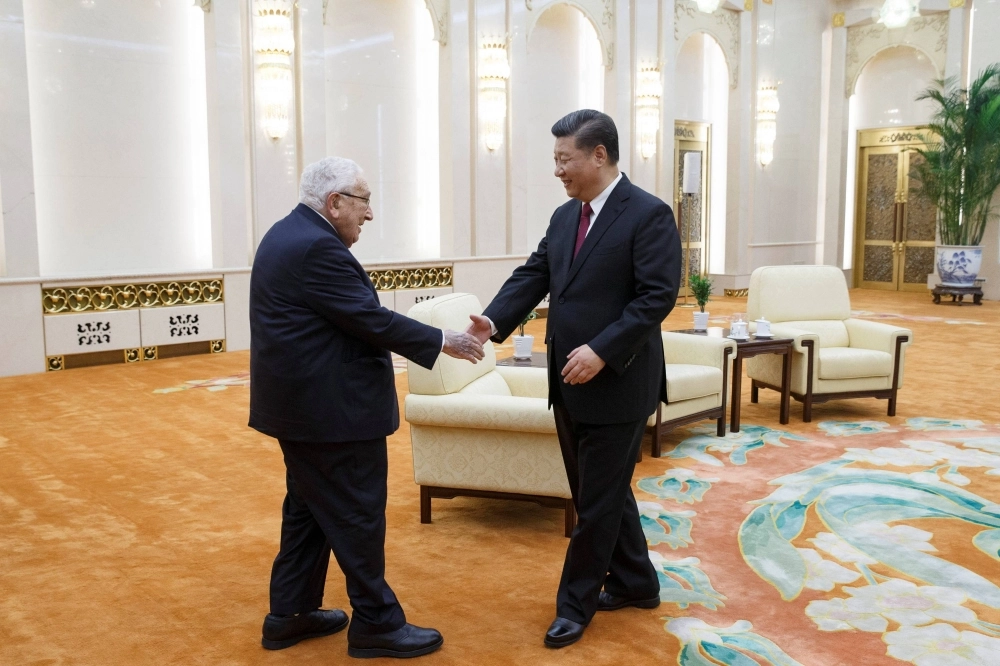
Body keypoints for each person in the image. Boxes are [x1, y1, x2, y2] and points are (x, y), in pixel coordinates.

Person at [249, 156, 484, 659]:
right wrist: (446, 340)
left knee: (309, 512)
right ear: (335, 204)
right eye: (364, 201)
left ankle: (289, 615)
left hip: (305, 411)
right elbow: (369, 320)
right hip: (332, 415)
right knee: (356, 516)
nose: (370, 214)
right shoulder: (316, 248)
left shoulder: (287, 233)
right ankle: (377, 623)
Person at [466, 110, 681, 648]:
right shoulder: (567, 216)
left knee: (596, 504)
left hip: (620, 383)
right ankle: (637, 583)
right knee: (599, 493)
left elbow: (656, 297)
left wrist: (603, 351)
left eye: (565, 160)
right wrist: (493, 320)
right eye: (556, 160)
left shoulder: (648, 214)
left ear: (599, 155)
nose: (558, 171)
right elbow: (535, 274)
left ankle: (574, 605)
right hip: (566, 382)